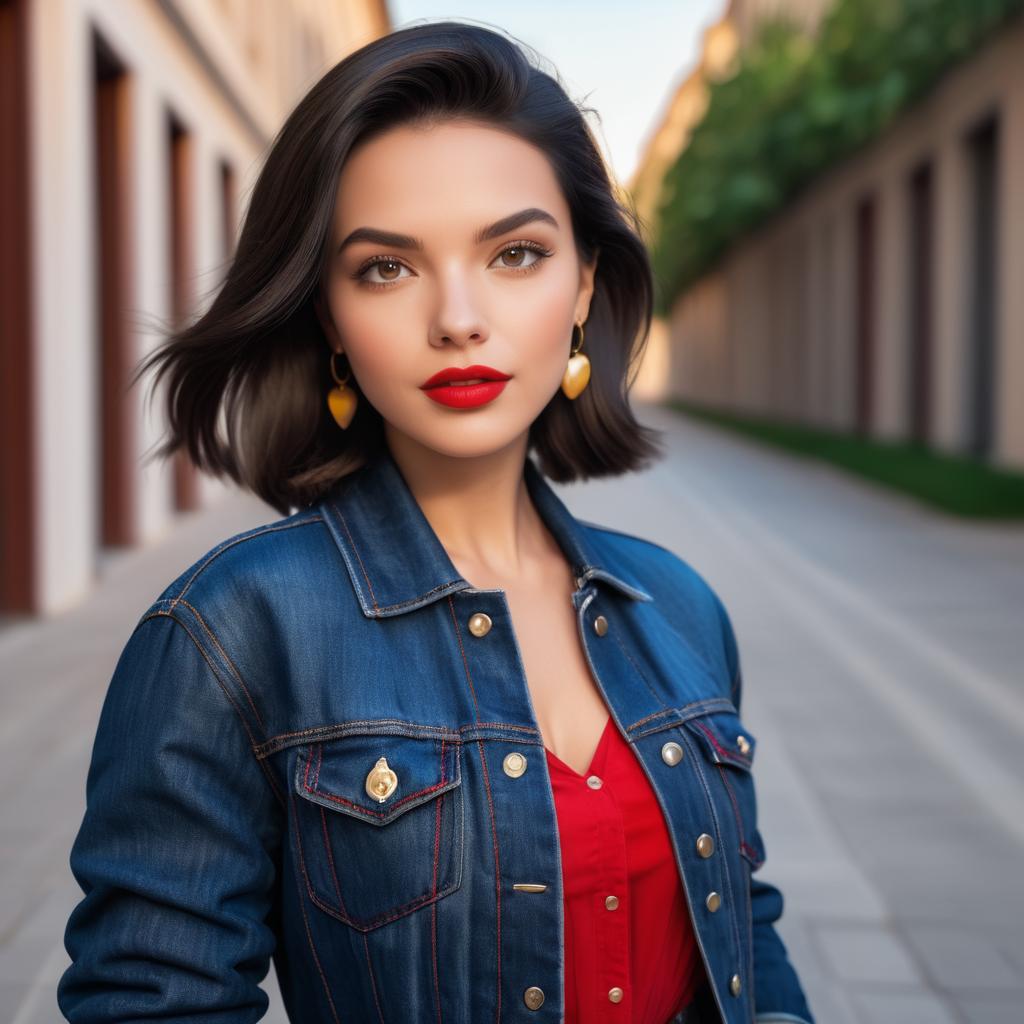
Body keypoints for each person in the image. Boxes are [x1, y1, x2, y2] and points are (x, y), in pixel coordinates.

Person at [57, 20, 815, 1024]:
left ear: (583, 282)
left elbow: (744, 930)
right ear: (328, 313)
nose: (458, 316)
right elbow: (154, 1003)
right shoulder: (231, 630)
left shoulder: (676, 605)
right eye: (387, 267)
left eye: (514, 253)